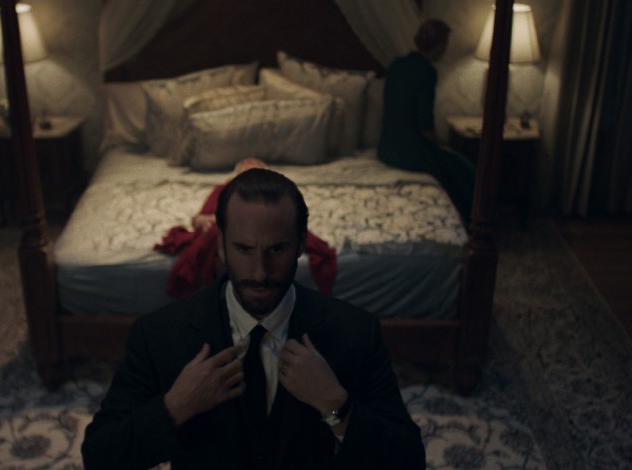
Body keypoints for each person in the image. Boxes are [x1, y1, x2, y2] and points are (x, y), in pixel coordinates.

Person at [82, 168, 425, 469]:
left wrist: (334, 405)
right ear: (220, 245)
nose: (260, 272)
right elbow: (100, 456)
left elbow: (409, 460)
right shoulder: (159, 333)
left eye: (277, 249)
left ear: (301, 244)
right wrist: (175, 407)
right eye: (244, 249)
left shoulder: (356, 332)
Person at [154, 158, 336, 298]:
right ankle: (222, 289)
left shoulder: (277, 193)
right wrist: (203, 220)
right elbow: (201, 216)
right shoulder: (224, 190)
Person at [378, 19, 476, 226]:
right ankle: (470, 222)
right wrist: (442, 146)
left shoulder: (397, 64)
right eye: (445, 45)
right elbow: (425, 125)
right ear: (439, 46)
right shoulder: (427, 72)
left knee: (454, 165)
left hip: (386, 148)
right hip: (410, 150)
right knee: (463, 169)